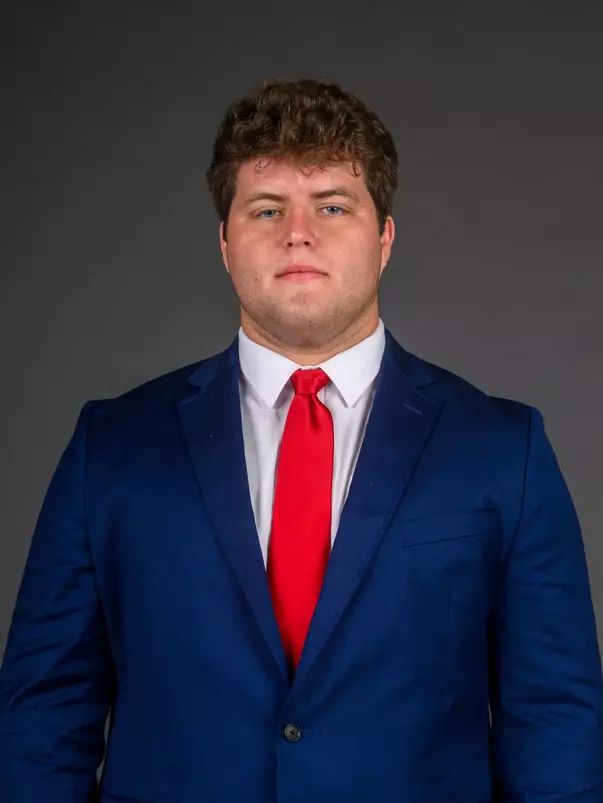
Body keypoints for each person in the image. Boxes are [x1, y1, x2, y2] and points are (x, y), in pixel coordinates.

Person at [1, 77, 602, 803]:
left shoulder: (505, 450)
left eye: (333, 206)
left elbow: (555, 725)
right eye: (266, 208)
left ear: (384, 239)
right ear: (225, 243)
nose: (298, 232)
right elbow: (42, 716)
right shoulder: (111, 445)